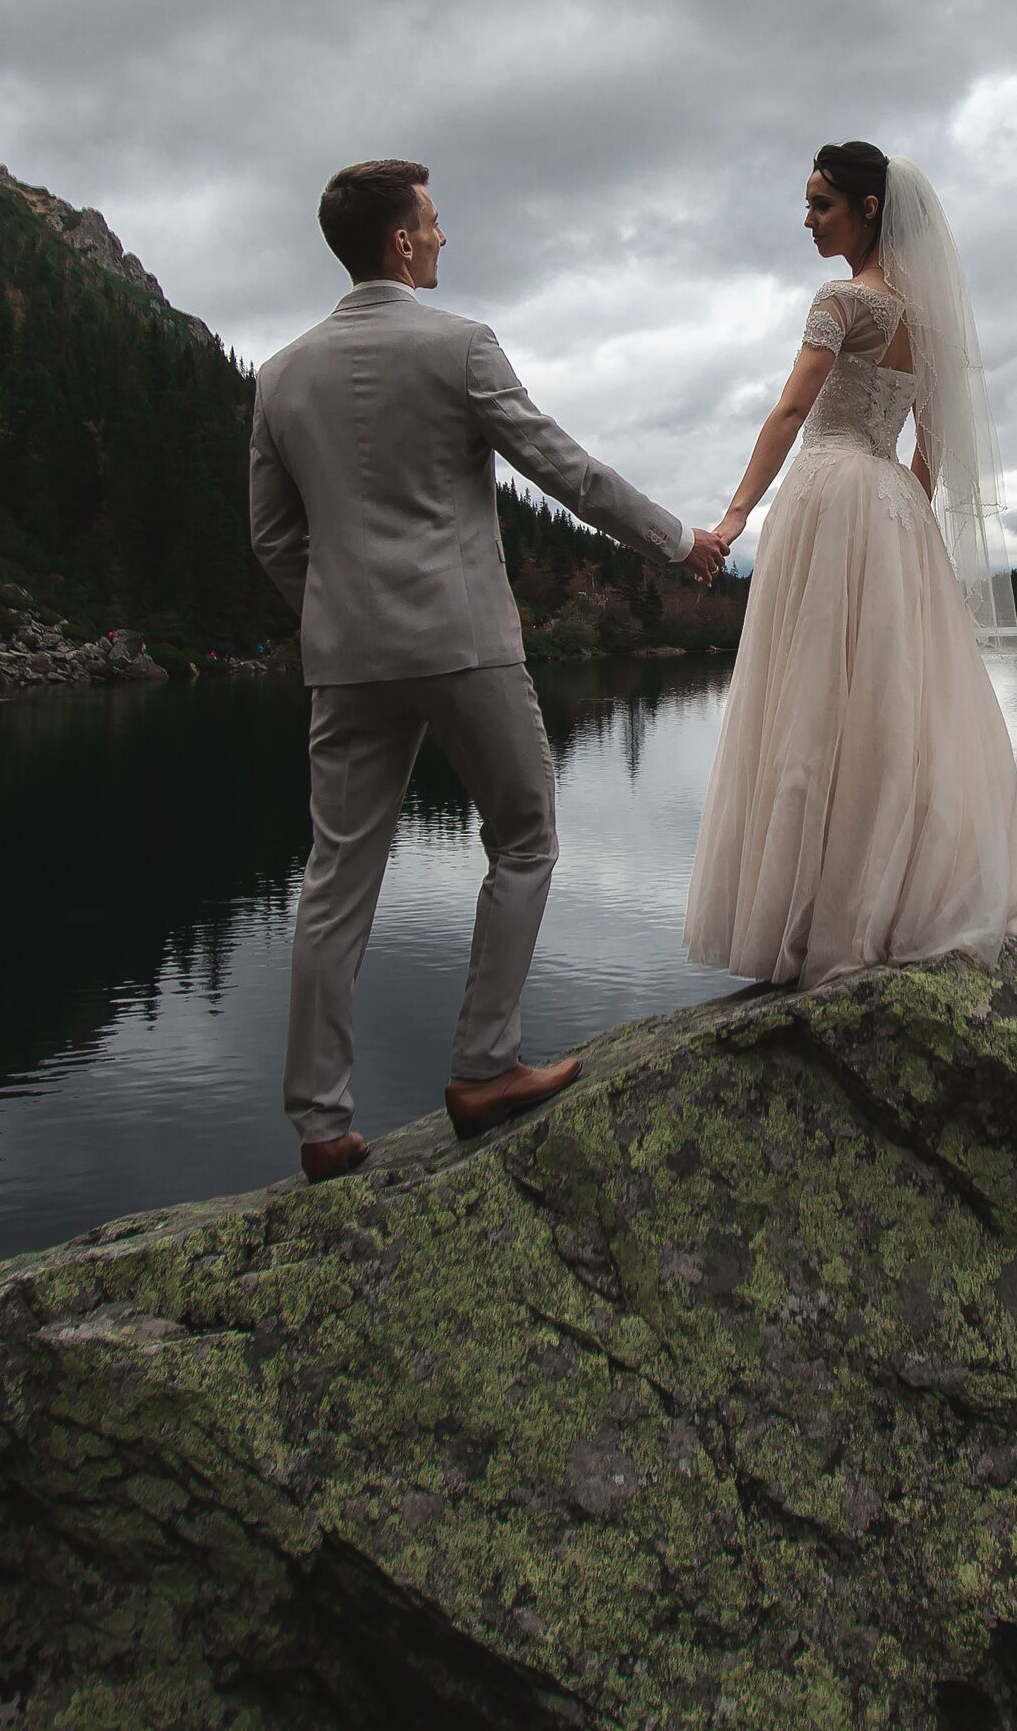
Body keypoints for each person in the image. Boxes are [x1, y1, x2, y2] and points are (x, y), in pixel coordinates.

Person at [248, 159, 729, 1182]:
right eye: (432, 223)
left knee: (335, 881)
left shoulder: (280, 374)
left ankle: (323, 1126)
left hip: (346, 659)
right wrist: (677, 540)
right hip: (464, 640)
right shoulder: (459, 345)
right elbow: (567, 470)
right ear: (400, 244)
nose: (443, 237)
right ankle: (481, 1065)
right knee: (524, 835)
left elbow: (270, 537)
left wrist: (336, 612)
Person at [682, 142, 1017, 985]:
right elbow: (941, 444)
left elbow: (791, 409)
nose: (808, 220)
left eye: (822, 205)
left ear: (870, 209)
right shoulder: (930, 318)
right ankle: (892, 895)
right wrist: (903, 500)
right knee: (893, 706)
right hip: (890, 506)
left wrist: (736, 514)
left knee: (815, 702)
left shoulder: (843, 302)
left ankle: (814, 914)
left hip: (827, 493)